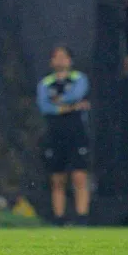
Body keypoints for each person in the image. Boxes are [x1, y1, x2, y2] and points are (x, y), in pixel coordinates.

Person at [36, 46, 92, 226]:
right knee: (57, 178)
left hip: (76, 132)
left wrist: (59, 102)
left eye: (64, 57)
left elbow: (76, 94)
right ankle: (59, 219)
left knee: (79, 176)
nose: (60, 60)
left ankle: (82, 218)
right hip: (55, 133)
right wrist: (69, 107)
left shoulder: (79, 78)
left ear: (70, 60)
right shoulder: (45, 83)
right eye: (56, 57)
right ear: (51, 61)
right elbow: (45, 107)